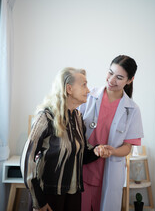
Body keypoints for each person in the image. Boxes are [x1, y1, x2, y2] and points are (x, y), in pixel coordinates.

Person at [20, 67, 109, 211]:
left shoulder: (78, 118)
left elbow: (82, 155)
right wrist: (39, 201)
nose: (88, 90)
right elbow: (27, 160)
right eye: (84, 85)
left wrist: (97, 151)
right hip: (48, 194)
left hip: (73, 195)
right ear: (69, 88)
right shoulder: (46, 117)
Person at [78, 55, 144, 211]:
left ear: (130, 80)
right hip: (83, 169)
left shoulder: (132, 110)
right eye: (110, 72)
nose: (111, 80)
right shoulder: (88, 97)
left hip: (109, 173)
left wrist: (113, 151)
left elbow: (128, 147)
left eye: (119, 77)